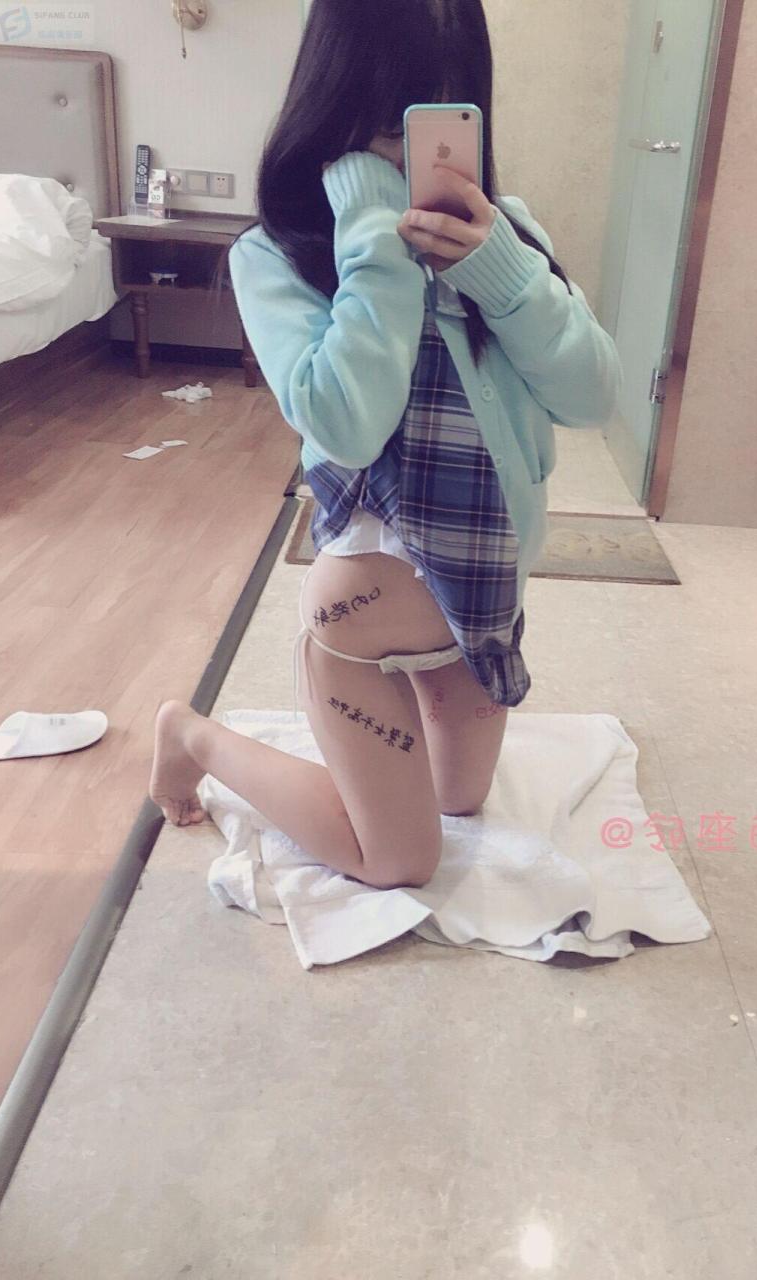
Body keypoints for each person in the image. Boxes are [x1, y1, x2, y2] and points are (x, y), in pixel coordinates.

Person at [149, 0, 621, 890]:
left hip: (483, 599)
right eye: (381, 120)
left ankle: (380, 738)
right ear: (331, 106)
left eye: (436, 112)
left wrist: (500, 272)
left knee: (460, 799)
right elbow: (347, 423)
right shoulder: (278, 255)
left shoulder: (507, 236)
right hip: (360, 620)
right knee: (398, 860)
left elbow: (593, 397)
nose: (406, 152)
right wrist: (374, 246)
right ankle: (192, 736)